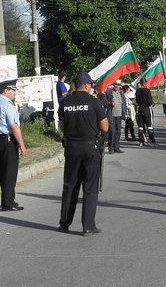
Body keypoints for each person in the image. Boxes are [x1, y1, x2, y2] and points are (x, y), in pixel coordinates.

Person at [58, 72, 109, 235]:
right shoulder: (93, 102)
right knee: (89, 187)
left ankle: (64, 224)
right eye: (91, 85)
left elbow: (61, 125)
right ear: (86, 85)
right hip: (89, 148)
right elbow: (105, 127)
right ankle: (88, 226)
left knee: (70, 186)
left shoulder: (65, 102)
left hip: (71, 148)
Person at [0, 79, 27, 211]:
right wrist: (22, 145)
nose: (15, 93)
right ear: (6, 90)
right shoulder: (8, 105)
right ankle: (7, 203)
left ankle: (10, 199)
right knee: (10, 171)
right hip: (8, 139)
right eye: (13, 90)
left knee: (2, 170)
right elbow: (14, 127)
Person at [135, 79, 156, 146]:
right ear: (144, 83)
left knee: (140, 126)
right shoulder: (147, 90)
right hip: (146, 109)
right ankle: (152, 141)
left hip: (140, 109)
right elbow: (150, 101)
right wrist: (153, 103)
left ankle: (141, 141)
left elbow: (137, 101)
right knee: (149, 126)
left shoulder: (137, 91)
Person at [107, 80, 126, 154]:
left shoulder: (121, 92)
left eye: (118, 85)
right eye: (116, 84)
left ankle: (116, 147)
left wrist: (125, 113)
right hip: (111, 115)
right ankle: (110, 148)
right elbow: (104, 102)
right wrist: (110, 103)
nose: (117, 86)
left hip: (119, 115)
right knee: (112, 132)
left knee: (118, 132)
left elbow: (124, 103)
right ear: (113, 84)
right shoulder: (109, 92)